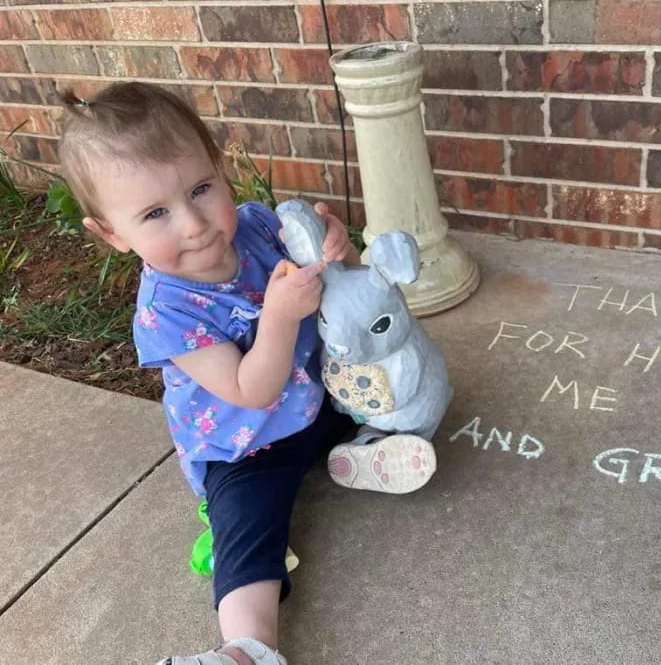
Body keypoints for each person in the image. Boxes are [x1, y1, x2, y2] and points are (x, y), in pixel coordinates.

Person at [57, 81, 433, 665]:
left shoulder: (258, 226)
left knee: (386, 385)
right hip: (243, 447)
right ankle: (246, 650)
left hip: (318, 400)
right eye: (155, 213)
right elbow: (249, 390)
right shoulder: (167, 311)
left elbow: (337, 289)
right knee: (250, 534)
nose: (194, 223)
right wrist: (280, 316)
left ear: (221, 171)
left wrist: (339, 252)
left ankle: (363, 449)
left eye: (202, 189)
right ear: (112, 233)